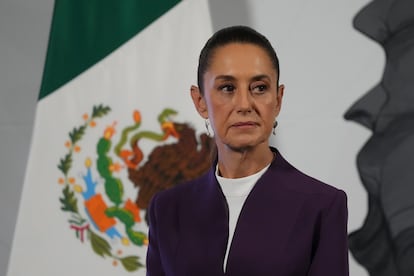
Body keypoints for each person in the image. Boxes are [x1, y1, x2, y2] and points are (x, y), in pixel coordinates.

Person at [146, 25, 349, 276]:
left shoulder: (322, 205)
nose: (244, 104)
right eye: (227, 88)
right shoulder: (167, 210)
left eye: (260, 87)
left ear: (278, 99)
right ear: (200, 102)